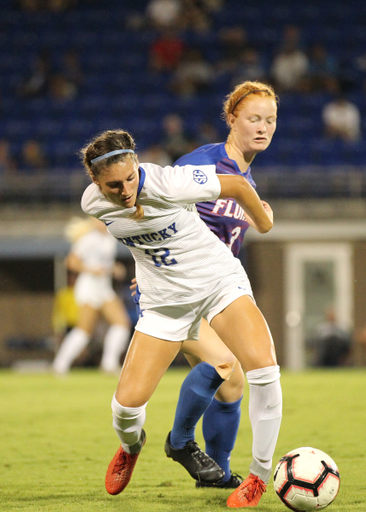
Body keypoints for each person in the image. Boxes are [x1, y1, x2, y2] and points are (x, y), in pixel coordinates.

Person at [80, 127, 281, 508]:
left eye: (129, 178)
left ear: (138, 165)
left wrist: (264, 223)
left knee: (262, 370)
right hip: (164, 301)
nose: (124, 190)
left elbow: (237, 186)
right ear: (95, 184)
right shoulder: (92, 203)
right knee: (125, 410)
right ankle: (132, 446)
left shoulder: (169, 181)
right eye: (112, 186)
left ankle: (258, 476)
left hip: (218, 281)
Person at [160, 80, 279, 491]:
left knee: (231, 383)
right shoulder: (202, 164)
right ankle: (178, 442)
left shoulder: (247, 178)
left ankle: (217, 474)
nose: (262, 128)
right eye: (253, 119)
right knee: (225, 365)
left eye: (270, 120)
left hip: (212, 291)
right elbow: (154, 208)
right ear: (232, 119)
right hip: (175, 289)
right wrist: (146, 268)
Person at [52, 216, 132, 374]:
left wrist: (114, 268)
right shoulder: (88, 239)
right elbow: (71, 262)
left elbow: (104, 263)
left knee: (122, 323)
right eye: (99, 220)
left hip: (103, 286)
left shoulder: (109, 238)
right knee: (84, 330)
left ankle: (109, 363)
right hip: (89, 286)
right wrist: (91, 269)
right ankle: (60, 365)